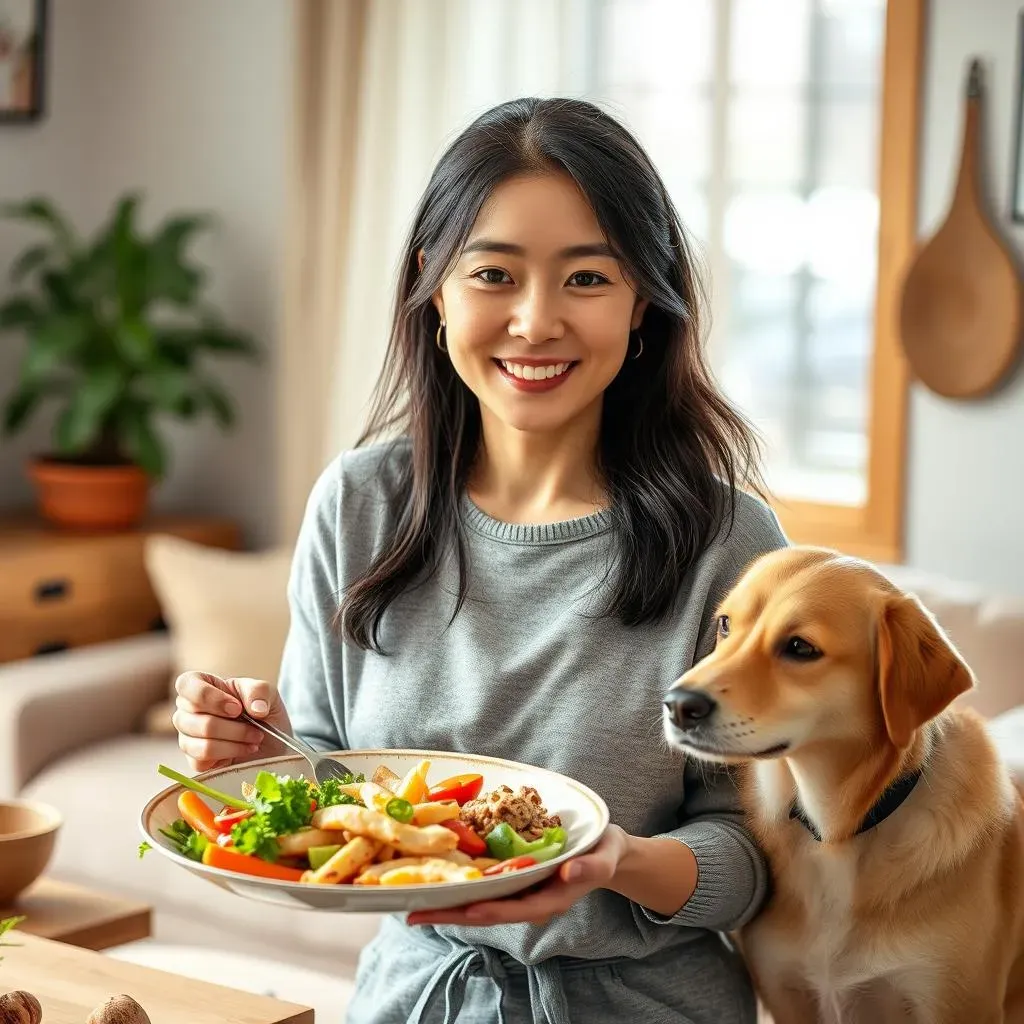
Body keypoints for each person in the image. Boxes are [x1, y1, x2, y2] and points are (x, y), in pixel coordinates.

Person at [172, 96, 788, 1024]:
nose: (536, 322)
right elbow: (329, 777)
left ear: (643, 306)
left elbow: (763, 856)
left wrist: (617, 861)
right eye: (494, 272)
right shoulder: (358, 504)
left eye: (587, 279)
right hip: (411, 1001)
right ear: (435, 286)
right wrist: (254, 760)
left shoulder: (731, 547)